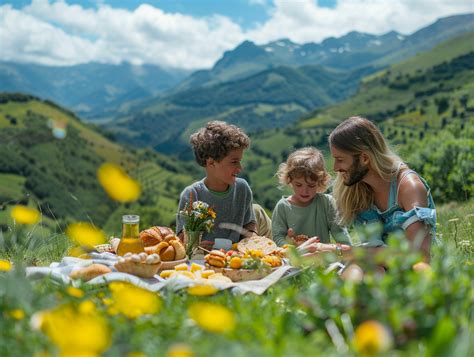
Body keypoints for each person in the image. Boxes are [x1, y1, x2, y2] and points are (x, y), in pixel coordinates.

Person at [304, 116, 436, 262]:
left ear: (364, 158)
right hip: (379, 268)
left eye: (340, 160)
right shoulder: (358, 190)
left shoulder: (408, 187)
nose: (335, 168)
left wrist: (341, 252)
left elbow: (420, 256)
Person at [176, 121, 257, 250]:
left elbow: (250, 224)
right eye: (234, 162)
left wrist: (251, 239)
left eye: (240, 161)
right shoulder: (192, 194)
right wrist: (195, 244)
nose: (240, 168)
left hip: (235, 258)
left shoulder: (242, 188)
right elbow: (182, 239)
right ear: (211, 163)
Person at [272, 147, 351, 247]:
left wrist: (350, 252)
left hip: (323, 258)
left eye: (311, 185)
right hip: (295, 259)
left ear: (320, 182)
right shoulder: (283, 207)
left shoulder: (326, 202)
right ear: (289, 180)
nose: (305, 191)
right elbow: (277, 237)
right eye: (299, 185)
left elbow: (340, 234)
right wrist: (290, 247)